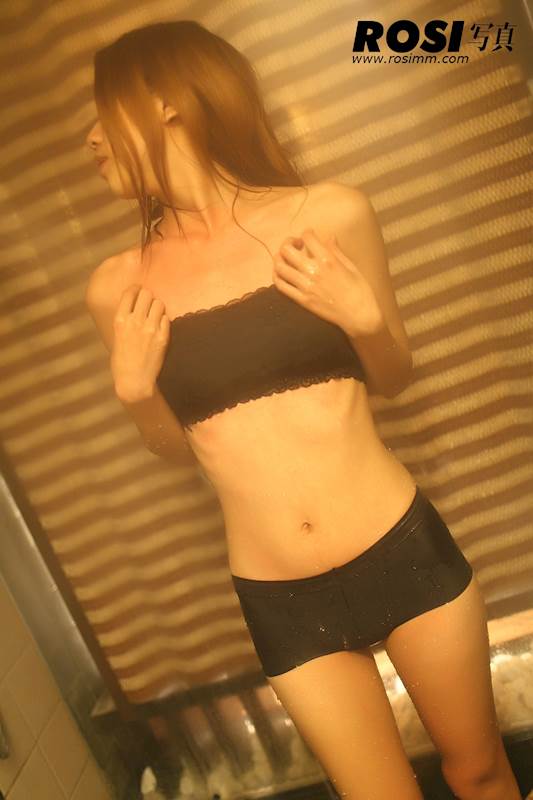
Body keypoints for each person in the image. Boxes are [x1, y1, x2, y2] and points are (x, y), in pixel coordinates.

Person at [84, 20, 522, 800]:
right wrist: (135, 394)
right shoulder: (117, 286)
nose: (90, 138)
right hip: (279, 595)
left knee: (480, 772)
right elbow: (178, 449)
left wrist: (365, 322)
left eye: (103, 111)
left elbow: (391, 376)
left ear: (165, 105)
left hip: (400, 548)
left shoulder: (328, 215)